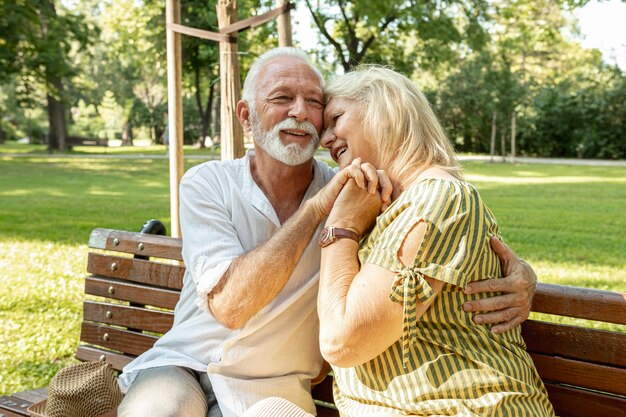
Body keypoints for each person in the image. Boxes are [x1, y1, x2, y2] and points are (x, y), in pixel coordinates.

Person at [117, 49, 538, 417]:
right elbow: (230, 305)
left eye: (317, 104)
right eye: (282, 98)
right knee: (163, 410)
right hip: (185, 365)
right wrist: (320, 211)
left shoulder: (360, 190)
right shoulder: (209, 183)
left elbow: (439, 225)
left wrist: (521, 273)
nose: (301, 112)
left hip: (273, 387)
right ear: (246, 115)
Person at [244, 66, 553, 417]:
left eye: (336, 118)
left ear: (385, 110)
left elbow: (342, 342)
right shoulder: (385, 203)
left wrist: (342, 226)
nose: (325, 139)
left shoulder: (438, 198)